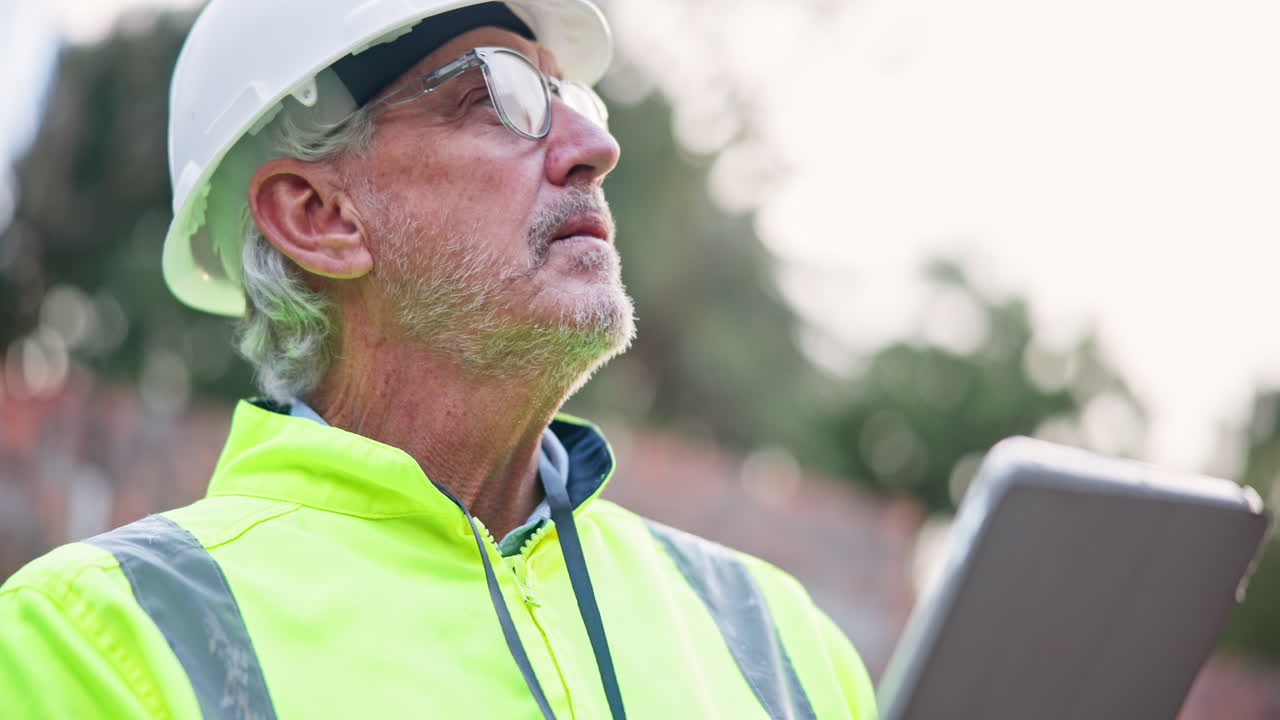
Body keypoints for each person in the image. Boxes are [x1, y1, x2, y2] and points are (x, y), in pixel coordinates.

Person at [0, 1, 878, 718]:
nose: (595, 149)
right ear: (317, 214)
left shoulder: (781, 641)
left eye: (576, 99)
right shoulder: (87, 642)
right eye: (502, 92)